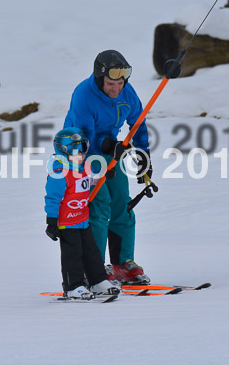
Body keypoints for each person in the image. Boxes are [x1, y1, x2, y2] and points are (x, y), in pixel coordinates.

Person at [64, 50, 153, 284]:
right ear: (99, 78)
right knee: (99, 204)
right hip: (80, 153)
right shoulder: (83, 94)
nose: (116, 89)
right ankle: (94, 268)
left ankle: (123, 263)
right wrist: (108, 146)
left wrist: (144, 156)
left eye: (121, 83)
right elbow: (84, 136)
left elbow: (138, 123)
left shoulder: (127, 93)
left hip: (111, 151)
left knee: (122, 203)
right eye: (111, 83)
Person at [44, 127, 120, 299]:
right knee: (73, 255)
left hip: (83, 221)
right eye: (77, 151)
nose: (82, 154)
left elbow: (88, 181)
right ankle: (73, 286)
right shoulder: (59, 173)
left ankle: (98, 281)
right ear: (64, 151)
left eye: (84, 149)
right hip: (67, 223)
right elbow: (52, 199)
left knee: (92, 253)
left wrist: (104, 175)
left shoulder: (82, 167)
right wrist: (51, 221)